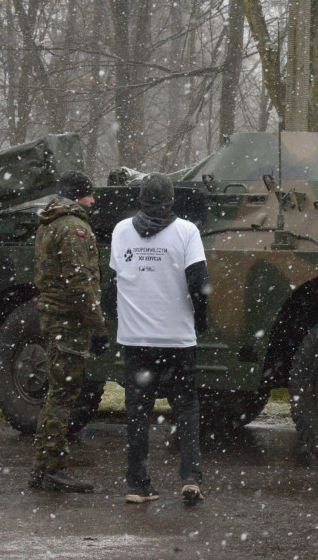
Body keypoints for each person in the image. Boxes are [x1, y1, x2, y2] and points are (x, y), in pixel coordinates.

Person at [110, 173, 209, 505]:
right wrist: (202, 319)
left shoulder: (121, 231)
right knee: (186, 407)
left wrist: (114, 322)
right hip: (176, 337)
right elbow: (198, 282)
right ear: (171, 200)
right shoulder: (186, 232)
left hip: (135, 338)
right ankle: (191, 478)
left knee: (138, 410)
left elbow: (113, 283)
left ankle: (137, 484)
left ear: (140, 199)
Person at [29, 170, 109, 493]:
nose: (93, 201)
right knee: (62, 396)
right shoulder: (74, 228)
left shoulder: (48, 224)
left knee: (55, 394)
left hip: (54, 319)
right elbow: (80, 284)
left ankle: (41, 465)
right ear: (79, 196)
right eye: (89, 195)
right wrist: (98, 327)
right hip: (69, 323)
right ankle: (53, 468)